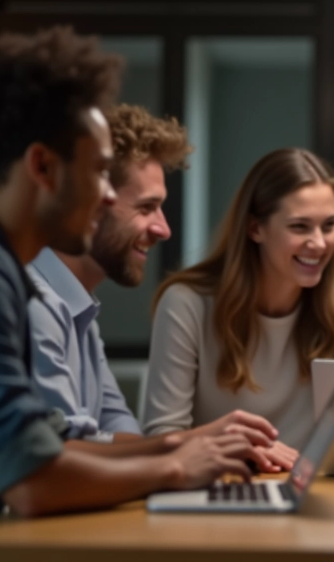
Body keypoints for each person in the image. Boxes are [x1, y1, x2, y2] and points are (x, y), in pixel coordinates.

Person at [0, 27, 264, 562]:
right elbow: (33, 479)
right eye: (97, 171)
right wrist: (179, 466)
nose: (108, 194)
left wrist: (188, 446)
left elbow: (49, 446)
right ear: (43, 167)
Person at [26, 104, 286, 469]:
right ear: (90, 202)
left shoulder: (79, 311)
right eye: (147, 207)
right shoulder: (35, 305)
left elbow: (121, 429)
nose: (163, 229)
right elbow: (65, 454)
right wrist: (199, 440)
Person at [143, 148, 334, 457]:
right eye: (299, 226)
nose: (319, 243)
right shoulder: (186, 304)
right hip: (215, 484)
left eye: (328, 225)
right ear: (255, 228)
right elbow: (162, 436)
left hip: (304, 489)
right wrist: (236, 449)